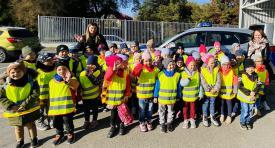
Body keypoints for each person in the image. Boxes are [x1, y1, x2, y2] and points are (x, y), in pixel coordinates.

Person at [0, 61, 40, 148]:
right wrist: (11, 106)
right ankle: (20, 141)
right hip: (14, 109)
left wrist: (25, 105)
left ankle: (34, 139)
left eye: (18, 72)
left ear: (24, 72)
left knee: (31, 124)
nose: (16, 74)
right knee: (18, 126)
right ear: (8, 73)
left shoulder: (31, 81)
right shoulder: (5, 85)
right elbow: (1, 97)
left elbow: (35, 93)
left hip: (28, 107)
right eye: (13, 72)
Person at [48, 61, 79, 145]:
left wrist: (68, 80)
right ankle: (59, 134)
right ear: (56, 70)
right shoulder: (51, 81)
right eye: (59, 69)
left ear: (68, 70)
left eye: (64, 69)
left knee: (67, 121)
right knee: (57, 122)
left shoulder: (72, 79)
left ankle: (70, 133)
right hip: (56, 108)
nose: (62, 71)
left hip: (67, 107)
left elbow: (75, 85)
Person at [104, 55, 131, 138]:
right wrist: (113, 70)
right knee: (113, 113)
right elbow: (107, 78)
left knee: (122, 112)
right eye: (118, 62)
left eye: (121, 62)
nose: (121, 63)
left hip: (122, 97)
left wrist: (127, 94)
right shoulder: (110, 71)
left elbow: (128, 84)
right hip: (112, 99)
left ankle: (121, 125)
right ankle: (113, 126)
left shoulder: (125, 72)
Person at [132, 51, 159, 132]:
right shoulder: (141, 68)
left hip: (151, 94)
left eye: (150, 60)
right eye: (146, 61)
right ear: (142, 61)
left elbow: (158, 79)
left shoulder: (154, 69)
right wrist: (140, 65)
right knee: (142, 110)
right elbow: (134, 73)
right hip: (142, 95)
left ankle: (149, 121)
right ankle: (142, 122)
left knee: (150, 110)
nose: (148, 62)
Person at [154, 58, 181, 133]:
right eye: (170, 65)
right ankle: (162, 124)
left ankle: (169, 123)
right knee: (161, 111)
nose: (171, 66)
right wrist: (155, 96)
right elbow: (157, 86)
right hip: (162, 98)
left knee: (171, 111)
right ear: (165, 66)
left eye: (173, 64)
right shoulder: (160, 74)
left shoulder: (177, 75)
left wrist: (179, 95)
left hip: (172, 97)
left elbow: (178, 86)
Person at [79, 55, 104, 130]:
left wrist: (90, 75)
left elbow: (97, 82)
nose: (90, 66)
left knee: (95, 109)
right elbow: (80, 84)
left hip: (95, 95)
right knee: (86, 110)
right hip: (85, 96)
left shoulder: (98, 72)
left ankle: (94, 120)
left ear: (96, 65)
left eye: (92, 64)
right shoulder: (82, 73)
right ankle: (86, 121)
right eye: (88, 64)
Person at [237, 59, 261, 130]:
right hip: (244, 96)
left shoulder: (256, 75)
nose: (251, 69)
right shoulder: (241, 74)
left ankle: (248, 121)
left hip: (252, 96)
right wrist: (249, 92)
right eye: (249, 67)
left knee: (250, 110)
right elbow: (240, 86)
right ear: (245, 68)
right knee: (245, 110)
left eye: (252, 67)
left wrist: (254, 92)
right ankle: (242, 122)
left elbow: (259, 84)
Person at [35, 52, 56, 131]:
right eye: (48, 60)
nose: (51, 61)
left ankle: (51, 120)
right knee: (40, 111)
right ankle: (40, 122)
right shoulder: (38, 72)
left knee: (50, 109)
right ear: (42, 62)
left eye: (51, 60)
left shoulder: (54, 70)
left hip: (51, 95)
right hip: (40, 96)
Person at [181, 56, 203, 129]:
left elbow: (199, 84)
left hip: (194, 95)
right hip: (186, 96)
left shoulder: (197, 73)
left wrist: (200, 93)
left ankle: (192, 119)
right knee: (185, 109)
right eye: (191, 65)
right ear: (187, 65)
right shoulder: (183, 73)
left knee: (193, 109)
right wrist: (187, 80)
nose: (193, 67)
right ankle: (185, 120)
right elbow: (182, 83)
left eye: (194, 65)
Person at [200, 53, 221, 127]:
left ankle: (212, 116)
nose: (213, 64)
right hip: (207, 91)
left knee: (212, 104)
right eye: (211, 63)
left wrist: (215, 89)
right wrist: (208, 89)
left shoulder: (217, 69)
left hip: (214, 91)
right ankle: (205, 116)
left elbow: (219, 80)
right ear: (206, 62)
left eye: (214, 62)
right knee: (205, 104)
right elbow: (203, 81)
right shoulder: (203, 70)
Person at [219, 55, 238, 125]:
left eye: (227, 64)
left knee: (229, 103)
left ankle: (229, 116)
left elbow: (235, 81)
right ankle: (222, 114)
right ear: (221, 64)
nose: (226, 66)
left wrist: (235, 90)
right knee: (222, 103)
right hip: (221, 92)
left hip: (229, 92)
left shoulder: (232, 71)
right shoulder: (219, 71)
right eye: (224, 64)